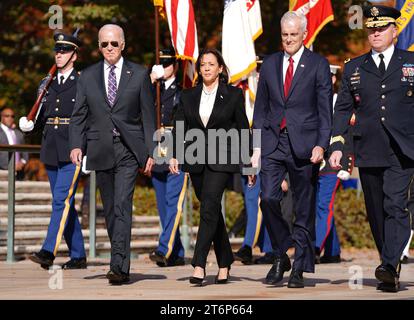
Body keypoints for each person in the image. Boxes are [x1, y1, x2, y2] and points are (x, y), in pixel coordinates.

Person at [329, 5, 414, 292]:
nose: (375, 33)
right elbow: (342, 109)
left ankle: (389, 264)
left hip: (402, 150)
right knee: (376, 211)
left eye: (381, 28)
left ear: (394, 31)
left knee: (395, 205)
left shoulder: (411, 62)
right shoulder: (354, 67)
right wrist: (338, 144)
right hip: (369, 148)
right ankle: (389, 264)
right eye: (371, 28)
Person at [69, 24, 155, 285]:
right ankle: (118, 258)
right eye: (104, 44)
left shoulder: (139, 75)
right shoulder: (87, 77)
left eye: (114, 44)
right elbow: (79, 116)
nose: (109, 48)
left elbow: (149, 118)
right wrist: (76, 145)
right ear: (98, 46)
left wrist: (150, 151)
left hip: (129, 150)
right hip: (100, 148)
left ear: (123, 45)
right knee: (109, 210)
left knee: (121, 206)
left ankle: (119, 266)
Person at [252, 11, 332, 288]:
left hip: (305, 144)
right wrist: (255, 148)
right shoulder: (271, 63)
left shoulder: (318, 64)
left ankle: (297, 266)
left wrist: (322, 144)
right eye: (284, 35)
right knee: (268, 199)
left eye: (293, 35)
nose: (288, 39)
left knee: (303, 208)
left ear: (304, 34)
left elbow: (325, 110)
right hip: (274, 142)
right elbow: (260, 108)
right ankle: (281, 252)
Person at [169, 48, 250, 285]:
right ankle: (225, 262)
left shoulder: (234, 95)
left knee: (209, 207)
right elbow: (179, 128)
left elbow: (243, 128)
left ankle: (199, 263)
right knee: (210, 210)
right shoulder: (188, 95)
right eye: (203, 64)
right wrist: (174, 155)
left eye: (211, 64)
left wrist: (249, 164)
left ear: (220, 69)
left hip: (222, 159)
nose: (206, 68)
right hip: (195, 159)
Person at [18, 31, 87, 270]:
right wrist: (29, 125)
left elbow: (88, 119)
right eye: (57, 50)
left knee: (60, 200)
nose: (59, 54)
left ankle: (48, 251)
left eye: (65, 50)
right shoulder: (45, 83)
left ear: (74, 56)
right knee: (63, 201)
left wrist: (86, 149)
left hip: (72, 148)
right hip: (50, 146)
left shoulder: (83, 83)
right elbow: (40, 117)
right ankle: (78, 255)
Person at [148, 48, 187, 267]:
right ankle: (177, 251)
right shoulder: (153, 89)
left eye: (168, 63)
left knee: (173, 202)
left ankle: (164, 249)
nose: (164, 67)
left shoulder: (182, 92)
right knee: (163, 204)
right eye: (161, 63)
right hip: (157, 146)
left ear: (176, 65)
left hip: (175, 146)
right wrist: (151, 80)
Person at [315, 65, 354, 264]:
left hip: (335, 161)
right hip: (315, 160)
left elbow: (349, 135)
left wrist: (348, 165)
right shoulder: (312, 100)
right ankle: (332, 250)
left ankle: (315, 248)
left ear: (332, 79)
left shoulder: (340, 101)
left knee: (323, 204)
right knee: (319, 205)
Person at [0, 107, 28, 180]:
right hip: (3, 172)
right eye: (7, 116)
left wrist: (22, 162)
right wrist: (11, 166)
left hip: (19, 173)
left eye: (12, 116)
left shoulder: (19, 133)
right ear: (1, 117)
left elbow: (25, 152)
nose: (10, 118)